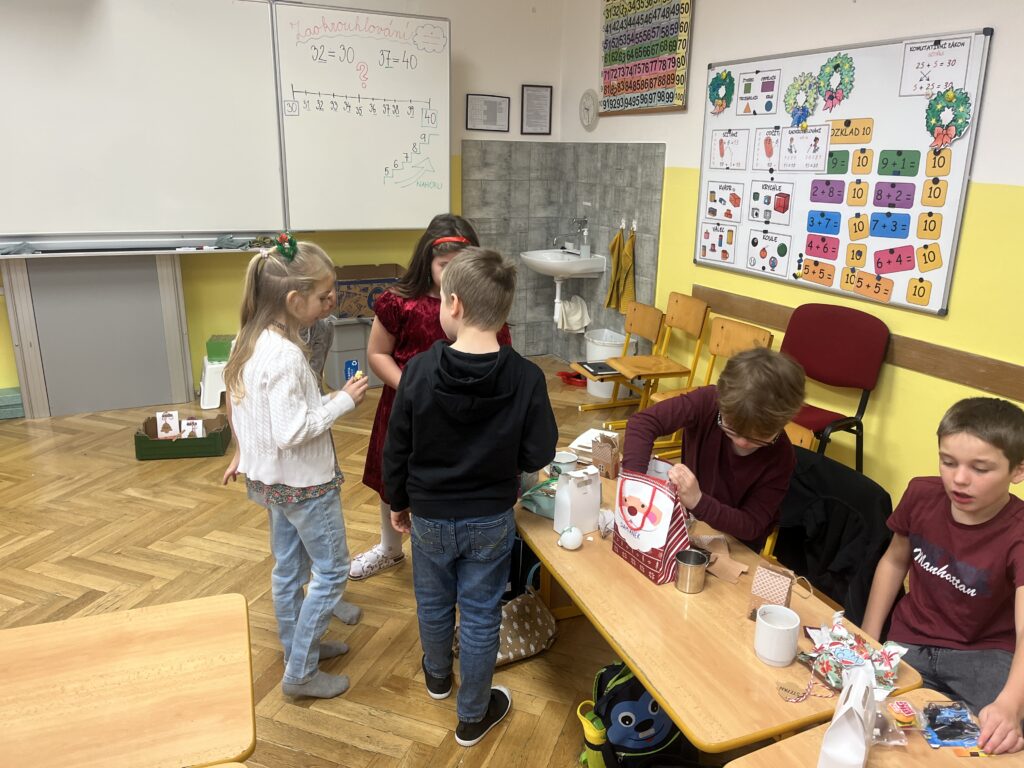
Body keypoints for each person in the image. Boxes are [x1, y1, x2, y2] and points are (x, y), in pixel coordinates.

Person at [383, 247, 557, 746]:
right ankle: (473, 715)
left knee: (433, 601)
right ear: (504, 309)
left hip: (430, 517)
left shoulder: (418, 371)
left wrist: (398, 501)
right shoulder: (526, 376)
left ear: (454, 304)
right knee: (481, 614)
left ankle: (438, 677)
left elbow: (398, 447)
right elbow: (539, 451)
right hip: (490, 519)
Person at [223, 234, 369, 699]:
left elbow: (256, 415)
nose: (331, 302)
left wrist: (243, 453)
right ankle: (301, 672)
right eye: (324, 296)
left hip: (272, 484)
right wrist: (343, 401)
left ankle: (298, 649)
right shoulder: (286, 356)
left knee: (288, 569)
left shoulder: (248, 341)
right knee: (333, 571)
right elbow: (293, 430)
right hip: (306, 487)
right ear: (293, 300)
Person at [351, 214, 511, 580]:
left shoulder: (483, 304)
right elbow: (377, 354)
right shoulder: (398, 302)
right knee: (393, 480)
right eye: (444, 266)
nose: (452, 274)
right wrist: (414, 389)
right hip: (406, 407)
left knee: (453, 482)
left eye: (461, 266)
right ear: (427, 261)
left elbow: (499, 356)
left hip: (464, 416)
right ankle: (390, 549)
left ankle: (456, 552)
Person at [862, 397, 1024, 755]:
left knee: (994, 741)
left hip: (983, 655)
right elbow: (894, 562)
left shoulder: (1019, 531)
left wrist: (1010, 705)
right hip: (911, 638)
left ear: (1018, 470)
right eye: (948, 462)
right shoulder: (921, 494)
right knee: (869, 723)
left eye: (980, 468)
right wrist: (869, 638)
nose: (959, 479)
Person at [621, 347, 805, 550]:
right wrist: (635, 485)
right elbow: (643, 423)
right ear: (721, 403)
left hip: (736, 544)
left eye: (759, 438)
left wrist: (698, 501)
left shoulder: (782, 457)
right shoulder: (708, 401)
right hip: (691, 522)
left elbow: (752, 525)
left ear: (782, 424)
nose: (742, 442)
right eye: (732, 429)